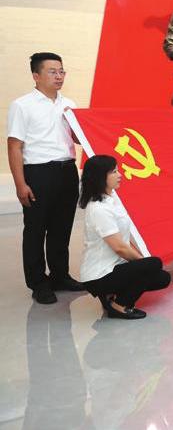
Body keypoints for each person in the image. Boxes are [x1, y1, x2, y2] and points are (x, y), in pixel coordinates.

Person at [7, 52, 84, 304]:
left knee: (62, 228)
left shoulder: (68, 104)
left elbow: (78, 139)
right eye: (52, 71)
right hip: (38, 173)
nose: (59, 76)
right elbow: (14, 146)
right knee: (36, 230)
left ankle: (60, 276)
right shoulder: (22, 105)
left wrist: (79, 122)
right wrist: (20, 184)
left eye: (61, 71)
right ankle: (38, 283)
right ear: (36, 76)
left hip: (67, 170)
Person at [79, 155, 171, 319]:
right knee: (154, 264)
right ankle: (119, 306)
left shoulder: (112, 197)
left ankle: (111, 296)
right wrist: (144, 264)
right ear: (100, 177)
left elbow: (124, 239)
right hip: (99, 274)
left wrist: (144, 265)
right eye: (114, 172)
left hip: (115, 266)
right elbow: (120, 248)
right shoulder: (98, 209)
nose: (119, 175)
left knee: (163, 278)